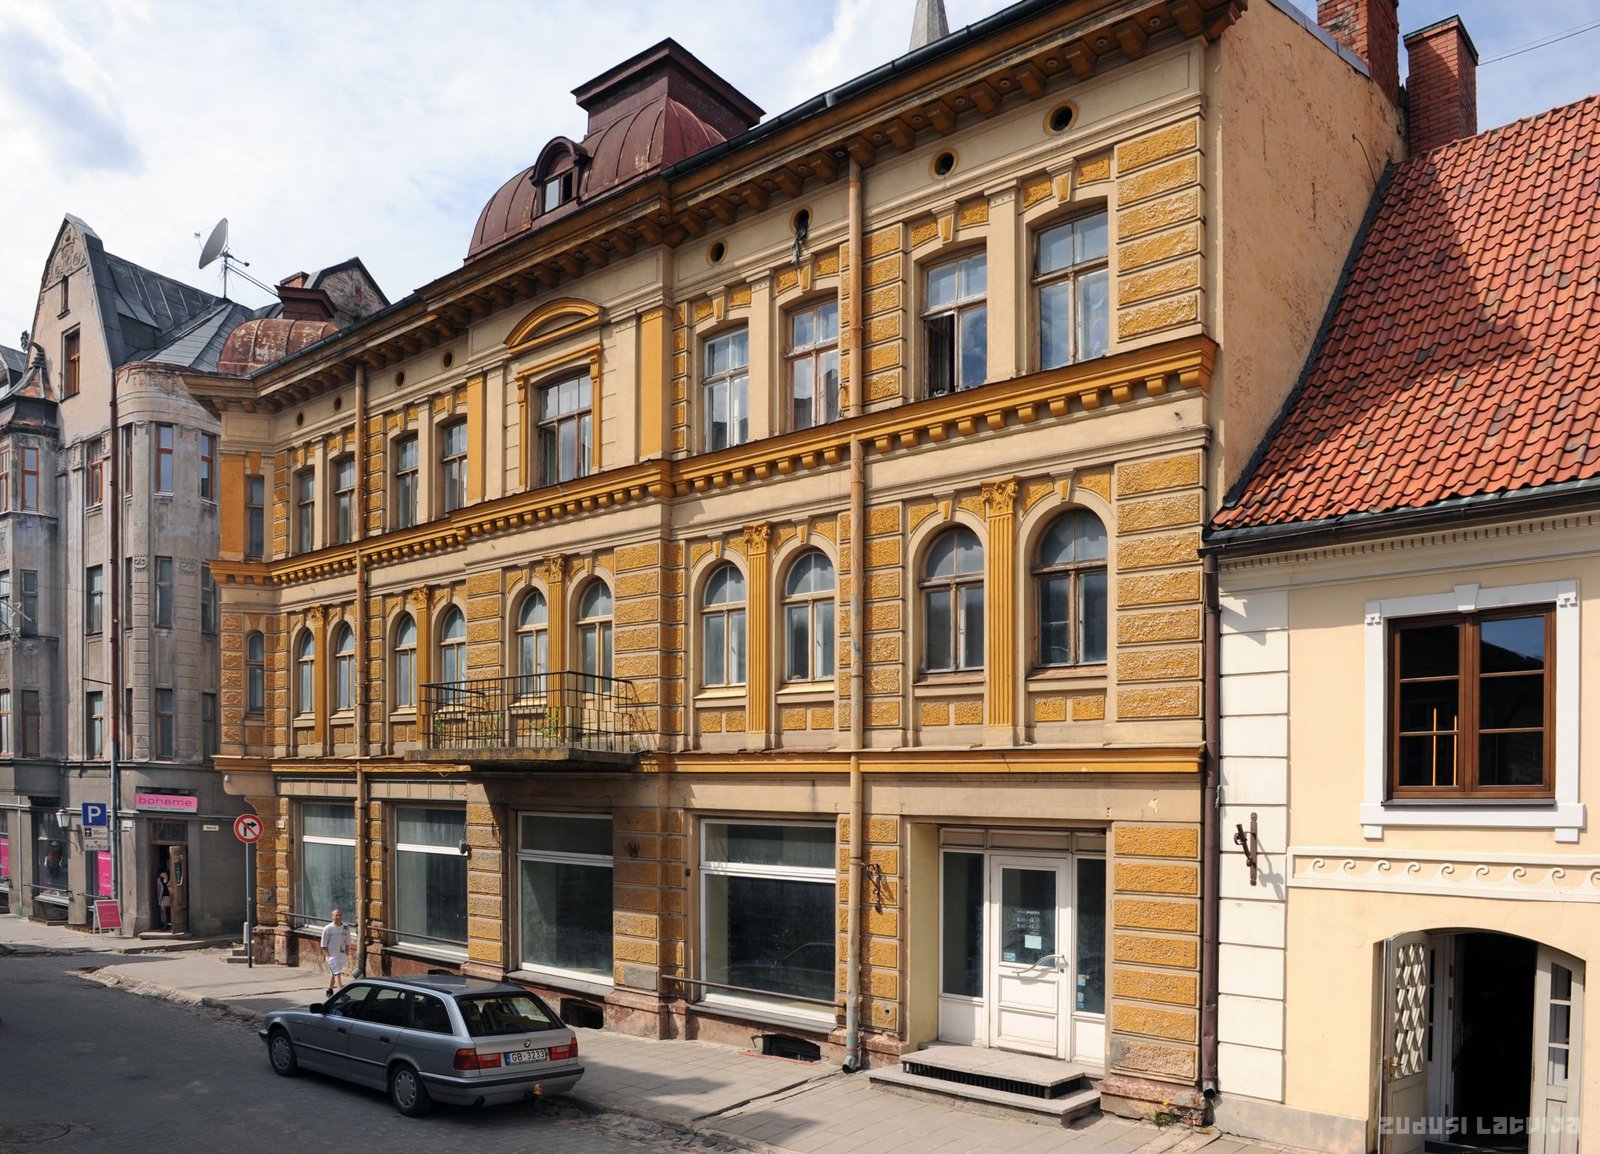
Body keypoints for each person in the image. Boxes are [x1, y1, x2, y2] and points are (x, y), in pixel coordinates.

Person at [320, 908, 351, 998]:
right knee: (337, 973)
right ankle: (342, 994)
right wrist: (328, 955)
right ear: (332, 917)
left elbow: (348, 941)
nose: (338, 917)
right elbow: (323, 944)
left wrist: (346, 954)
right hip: (332, 956)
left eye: (340, 915)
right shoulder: (328, 928)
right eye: (336, 915)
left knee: (335, 973)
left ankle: (330, 989)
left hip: (341, 955)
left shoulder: (345, 927)